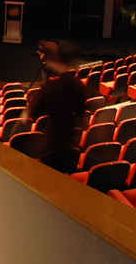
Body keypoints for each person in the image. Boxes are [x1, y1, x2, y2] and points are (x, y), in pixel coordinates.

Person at [20, 40, 90, 174]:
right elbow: (81, 114)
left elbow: (28, 115)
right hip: (73, 147)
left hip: (52, 149)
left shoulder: (51, 87)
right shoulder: (79, 86)